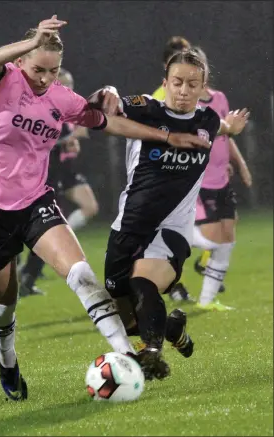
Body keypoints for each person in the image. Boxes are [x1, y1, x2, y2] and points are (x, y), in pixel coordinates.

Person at [0, 17, 209, 401]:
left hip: (34, 203)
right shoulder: (3, 79)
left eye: (53, 71)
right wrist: (29, 44)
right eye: (38, 69)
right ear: (23, 61)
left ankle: (128, 357)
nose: (44, 78)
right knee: (3, 305)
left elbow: (111, 122)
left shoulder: (61, 98)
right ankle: (7, 361)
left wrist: (167, 136)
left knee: (81, 275)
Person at [103, 49, 249, 380]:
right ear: (165, 83)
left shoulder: (208, 121)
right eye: (178, 82)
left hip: (171, 229)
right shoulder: (146, 109)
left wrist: (234, 129)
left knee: (143, 281)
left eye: (192, 84)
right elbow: (110, 109)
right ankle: (172, 328)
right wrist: (110, 91)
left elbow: (224, 127)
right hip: (127, 226)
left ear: (203, 87)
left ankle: (152, 352)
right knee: (124, 312)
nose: (184, 91)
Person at [18, 68, 100, 297]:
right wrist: (68, 141)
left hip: (67, 171)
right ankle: (26, 274)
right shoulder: (46, 108)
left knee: (89, 208)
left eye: (70, 84)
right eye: (63, 84)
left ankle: (32, 267)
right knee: (48, 225)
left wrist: (73, 140)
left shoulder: (69, 107)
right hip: (51, 173)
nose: (68, 88)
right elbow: (41, 142)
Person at [189, 47, 253, 311]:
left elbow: (226, 135)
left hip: (221, 179)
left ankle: (206, 301)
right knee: (215, 239)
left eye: (200, 66)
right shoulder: (189, 105)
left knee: (228, 237)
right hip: (199, 180)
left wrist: (240, 164)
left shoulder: (220, 98)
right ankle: (169, 233)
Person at [152, 36, 193, 301]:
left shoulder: (191, 97)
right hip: (160, 180)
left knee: (180, 236)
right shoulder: (157, 98)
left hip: (184, 180)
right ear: (167, 65)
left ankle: (173, 284)